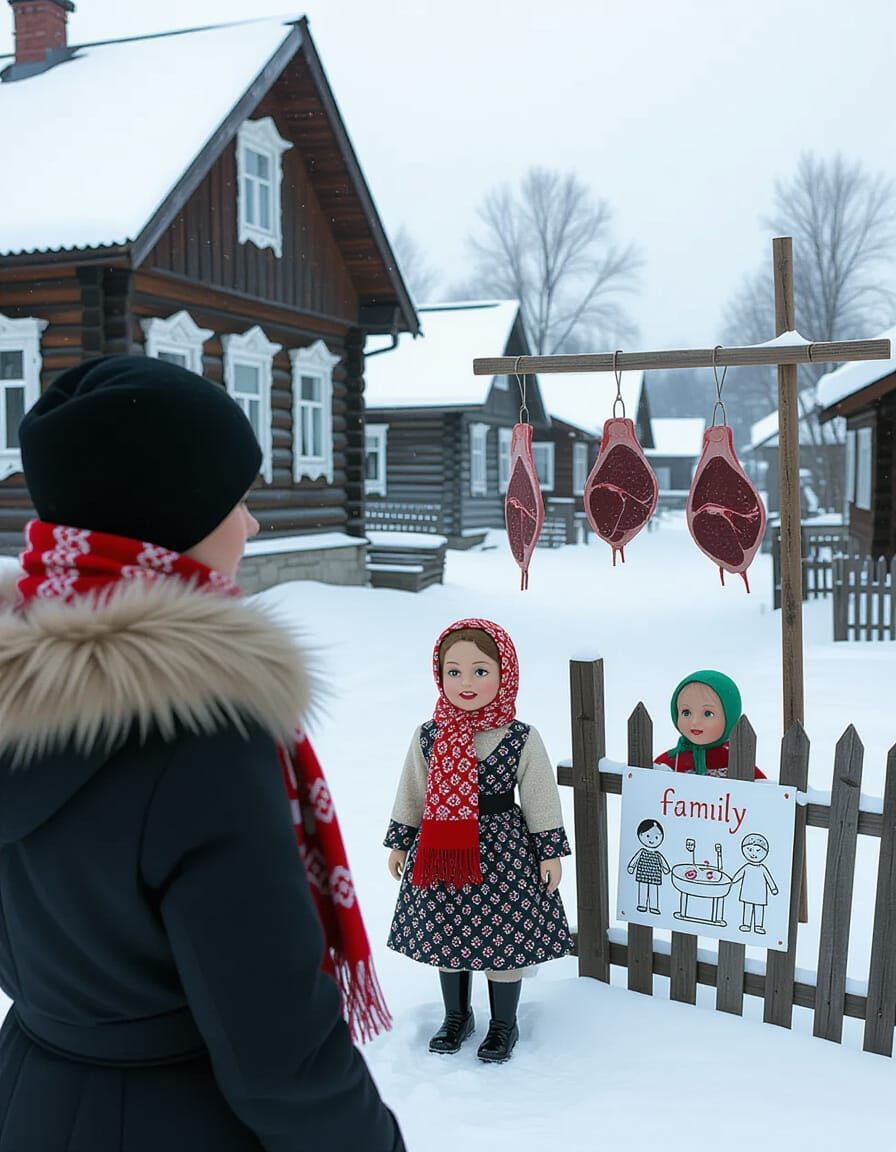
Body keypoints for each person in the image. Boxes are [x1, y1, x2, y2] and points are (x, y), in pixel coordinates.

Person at [0, 356, 405, 1151]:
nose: (251, 525)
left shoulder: (17, 687)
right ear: (171, 516)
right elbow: (281, 1055)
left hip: (31, 1095)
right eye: (236, 500)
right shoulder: (199, 734)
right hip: (179, 1117)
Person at [384, 618, 571, 1063]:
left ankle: (504, 1024)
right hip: (442, 853)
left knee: (503, 937)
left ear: (505, 674)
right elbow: (413, 790)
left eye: (480, 671)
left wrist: (548, 852)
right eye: (454, 672)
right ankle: (457, 1016)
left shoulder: (520, 737)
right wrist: (401, 841)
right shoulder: (430, 735)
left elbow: (540, 795)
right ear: (439, 675)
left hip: (504, 853)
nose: (465, 683)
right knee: (447, 933)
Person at [653, 670, 766, 779]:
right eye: (686, 713)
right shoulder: (672, 760)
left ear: (729, 716)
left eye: (708, 714)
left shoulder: (735, 762)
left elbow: (762, 788)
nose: (695, 722)